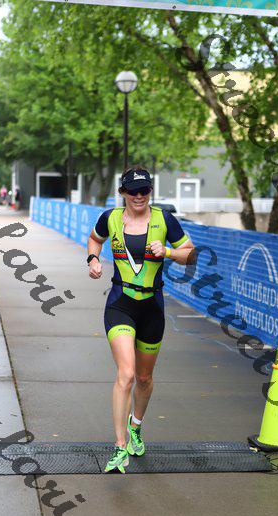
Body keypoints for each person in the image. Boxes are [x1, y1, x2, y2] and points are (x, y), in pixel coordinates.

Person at [87, 165, 194, 473]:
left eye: (144, 190)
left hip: (152, 307)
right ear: (123, 193)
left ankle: (135, 426)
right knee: (127, 374)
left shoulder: (165, 220)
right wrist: (93, 259)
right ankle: (120, 447)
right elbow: (94, 239)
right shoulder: (110, 218)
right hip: (120, 304)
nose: (138, 196)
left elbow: (190, 253)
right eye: (132, 191)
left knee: (144, 378)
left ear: (150, 191)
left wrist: (169, 252)